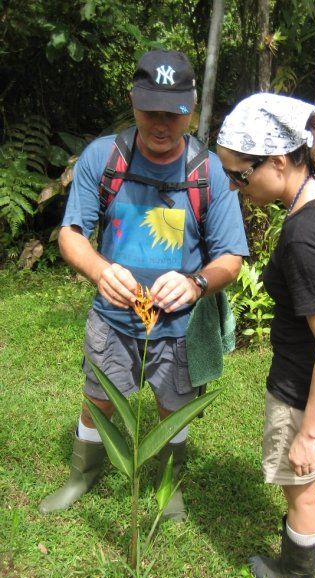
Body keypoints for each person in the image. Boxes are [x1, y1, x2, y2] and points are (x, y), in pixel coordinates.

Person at [38, 49, 249, 521]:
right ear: (133, 102)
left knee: (174, 408)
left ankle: (168, 484)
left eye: (173, 113)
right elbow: (71, 236)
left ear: (191, 109)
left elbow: (231, 259)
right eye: (150, 110)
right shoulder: (103, 157)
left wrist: (196, 283)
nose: (160, 124)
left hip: (178, 326)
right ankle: (82, 475)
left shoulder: (208, 170)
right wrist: (99, 270)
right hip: (113, 318)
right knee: (98, 395)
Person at [216, 93, 315, 578]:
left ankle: (296, 573)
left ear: (278, 161)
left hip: (308, 383)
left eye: (240, 175)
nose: (236, 187)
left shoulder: (304, 236)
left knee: (299, 483)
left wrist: (303, 432)